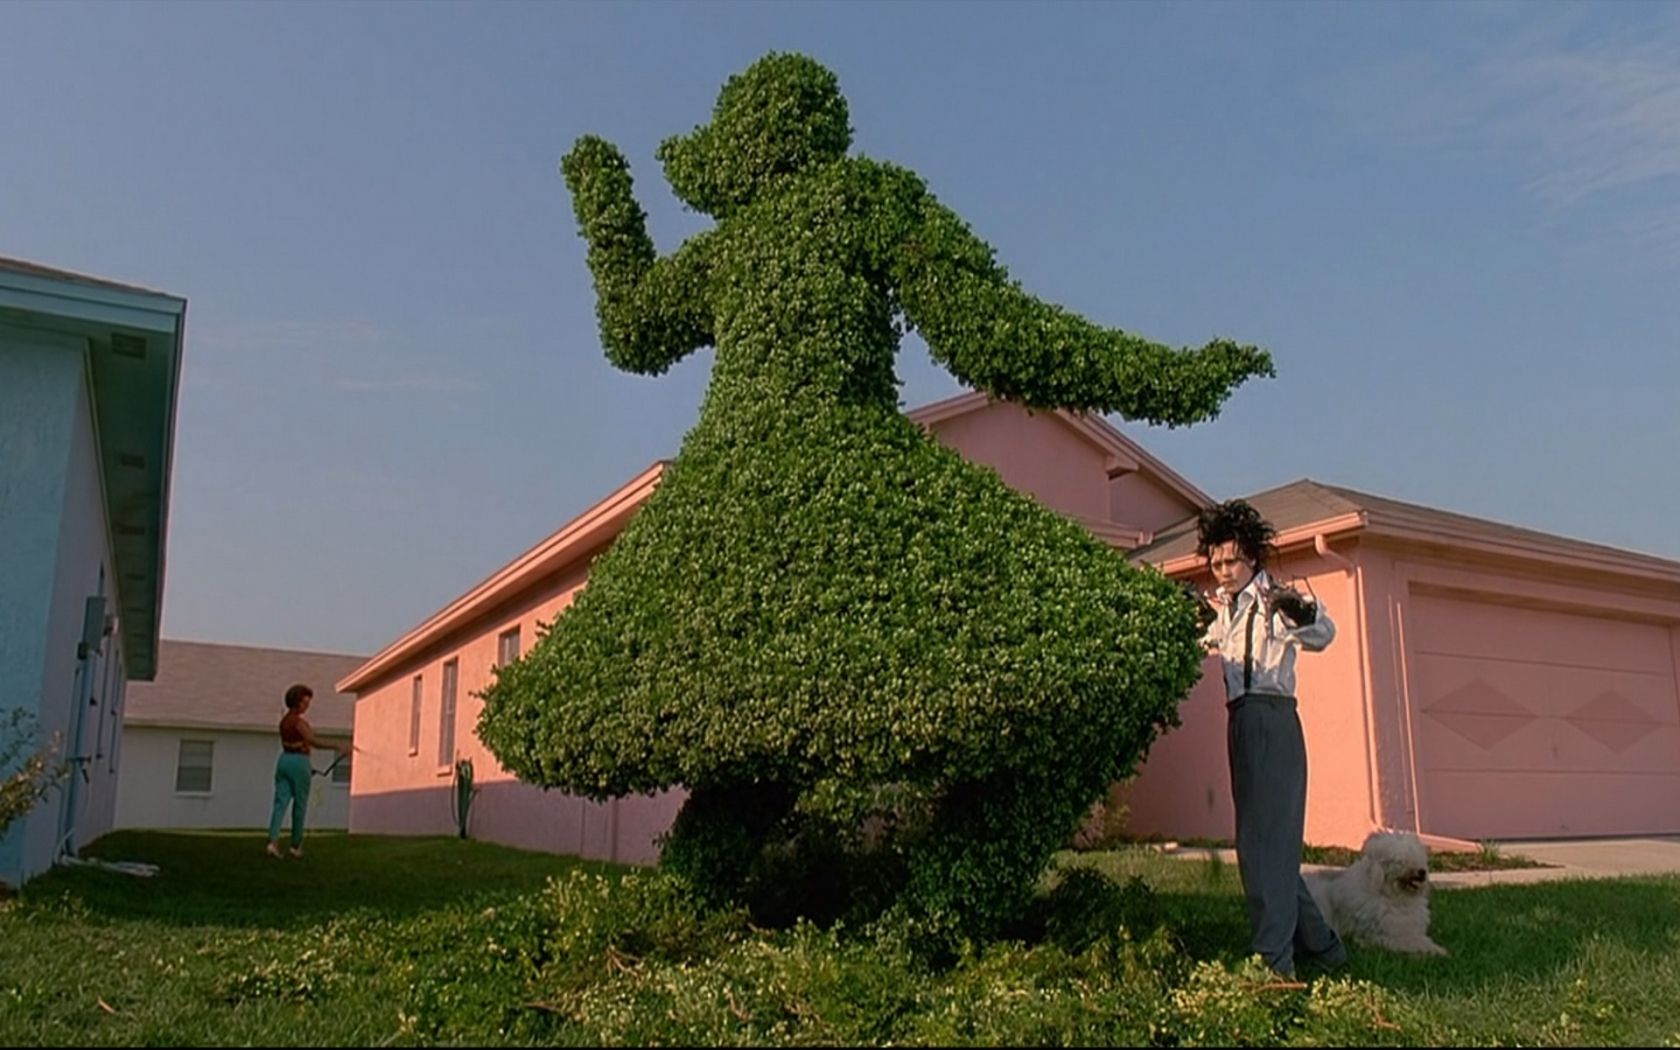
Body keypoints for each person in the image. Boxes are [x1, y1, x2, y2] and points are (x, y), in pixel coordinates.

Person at [1196, 499, 1347, 979]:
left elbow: (1323, 633)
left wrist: (1299, 611)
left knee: (1269, 848)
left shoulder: (1272, 600)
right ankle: (1324, 948)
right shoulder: (1227, 610)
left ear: (1252, 557)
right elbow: (1207, 642)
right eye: (1216, 563)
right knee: (1258, 846)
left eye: (1231, 561)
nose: (1223, 571)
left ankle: (1275, 963)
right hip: (1240, 720)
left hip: (1272, 720)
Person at [266, 684, 344, 858]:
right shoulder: (299, 723)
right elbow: (313, 741)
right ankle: (295, 845)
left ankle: (272, 842)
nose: (307, 705)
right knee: (300, 804)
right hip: (300, 762)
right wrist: (338, 746)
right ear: (297, 702)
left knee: (280, 803)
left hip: (284, 760)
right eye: (305, 702)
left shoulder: (283, 722)